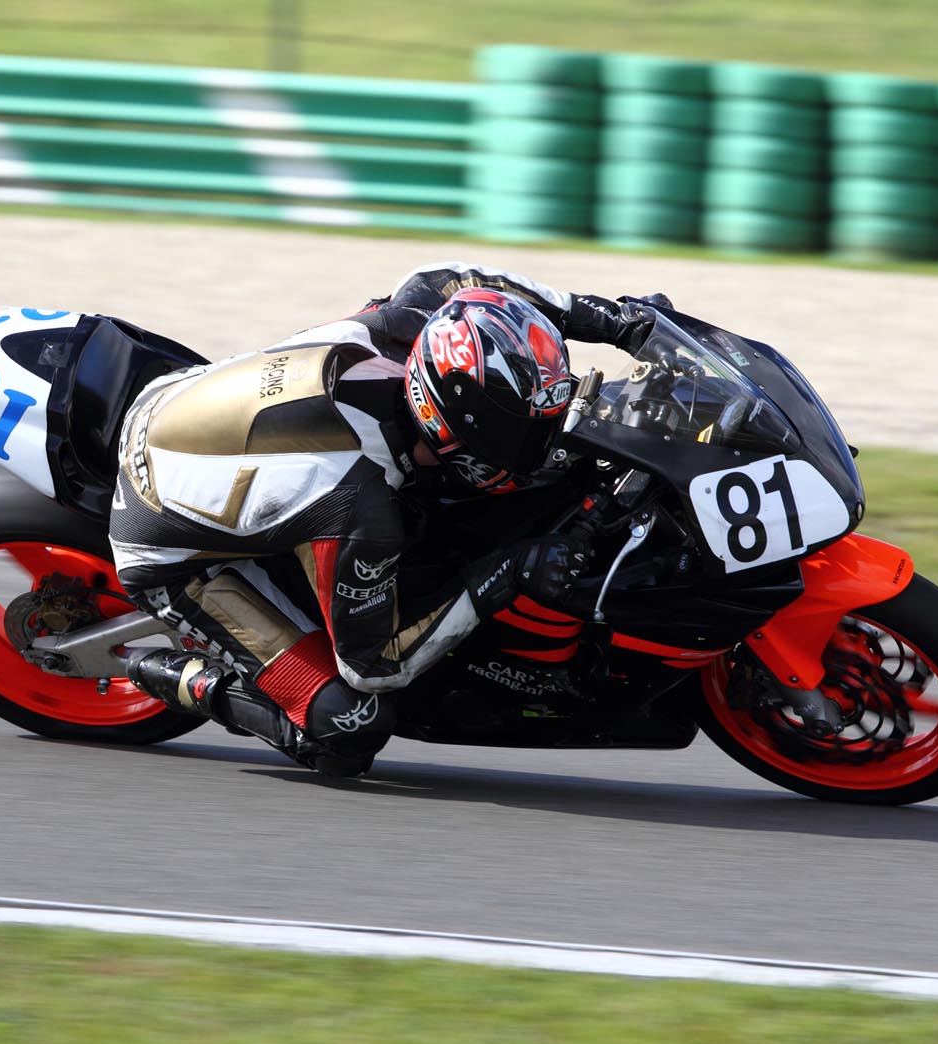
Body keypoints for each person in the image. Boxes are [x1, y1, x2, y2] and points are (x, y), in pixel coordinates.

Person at [111, 262, 667, 777]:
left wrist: (614, 321)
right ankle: (173, 674)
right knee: (346, 726)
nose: (542, 445)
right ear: (467, 432)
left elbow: (470, 280)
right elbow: (376, 663)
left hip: (186, 407)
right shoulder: (358, 506)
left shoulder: (424, 317)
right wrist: (508, 574)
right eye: (528, 432)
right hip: (167, 549)